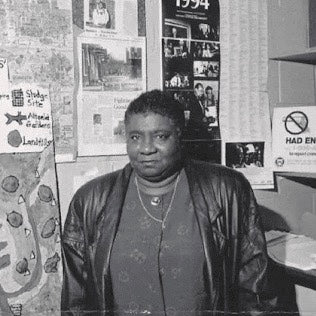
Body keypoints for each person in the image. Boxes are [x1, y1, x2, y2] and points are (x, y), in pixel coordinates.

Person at [61, 90, 282, 315]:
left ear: (179, 136)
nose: (146, 148)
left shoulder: (227, 189)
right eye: (135, 137)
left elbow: (256, 289)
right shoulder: (90, 200)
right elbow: (76, 300)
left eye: (160, 136)